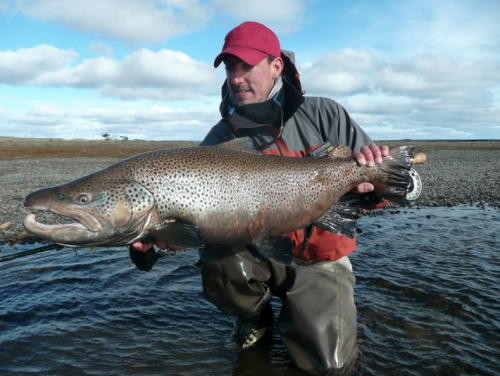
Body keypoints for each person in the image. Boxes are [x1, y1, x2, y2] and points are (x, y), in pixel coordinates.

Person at [130, 21, 389, 374]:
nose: (235, 78)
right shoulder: (220, 137)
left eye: (246, 66)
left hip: (318, 256)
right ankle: (254, 316)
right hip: (252, 251)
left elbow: (382, 190)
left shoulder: (324, 113)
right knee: (218, 258)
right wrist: (166, 237)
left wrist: (375, 189)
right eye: (230, 68)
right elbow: (196, 219)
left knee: (330, 368)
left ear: (275, 66)